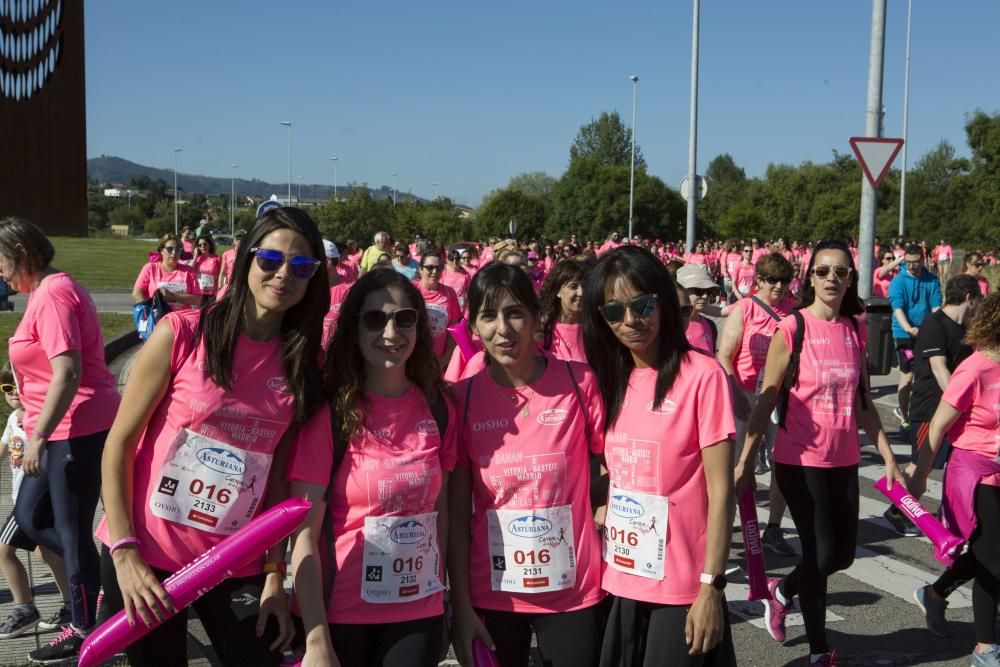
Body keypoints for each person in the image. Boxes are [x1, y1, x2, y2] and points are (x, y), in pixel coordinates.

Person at [97, 208, 333, 666]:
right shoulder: (182, 333)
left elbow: (278, 480)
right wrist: (124, 553)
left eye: (301, 267)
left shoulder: (304, 364)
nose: (284, 274)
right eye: (271, 259)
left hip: (235, 561)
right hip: (148, 555)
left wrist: (272, 573)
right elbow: (119, 444)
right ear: (245, 259)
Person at [736, 239, 904, 666]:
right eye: (824, 271)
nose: (832, 278)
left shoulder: (855, 329)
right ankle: (817, 651)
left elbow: (864, 401)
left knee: (843, 554)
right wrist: (745, 461)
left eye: (841, 272)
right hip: (799, 459)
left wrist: (887, 456)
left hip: (844, 458)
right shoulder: (793, 328)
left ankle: (782, 591)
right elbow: (767, 399)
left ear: (851, 280)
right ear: (810, 277)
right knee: (821, 554)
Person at [581, 246, 737, 667]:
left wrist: (711, 587)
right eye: (614, 312)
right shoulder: (610, 380)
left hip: (683, 587)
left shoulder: (702, 376)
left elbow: (723, 492)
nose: (631, 321)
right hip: (622, 579)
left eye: (642, 305)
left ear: (664, 302)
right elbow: (610, 472)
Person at [297, 269, 457, 666]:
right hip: (343, 613)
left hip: (418, 610)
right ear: (353, 329)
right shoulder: (329, 416)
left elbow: (444, 514)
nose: (391, 332)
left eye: (404, 318)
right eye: (374, 319)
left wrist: (450, 598)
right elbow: (303, 539)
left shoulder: (439, 409)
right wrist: (316, 639)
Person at [449, 262, 606, 667]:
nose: (503, 329)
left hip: (571, 592)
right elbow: (456, 516)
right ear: (473, 326)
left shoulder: (580, 382)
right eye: (488, 316)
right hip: (494, 593)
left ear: (536, 318)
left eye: (515, 312)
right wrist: (462, 608)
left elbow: (613, 464)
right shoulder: (461, 399)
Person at [0, 217, 121, 662]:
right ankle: (97, 587)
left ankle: (84, 625)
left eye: (0, 261)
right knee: (30, 517)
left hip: (76, 427)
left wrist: (39, 437)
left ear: (23, 254)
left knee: (71, 530)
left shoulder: (53, 294)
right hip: (53, 429)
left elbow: (68, 371)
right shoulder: (41, 293)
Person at [906, 291, 1000, 666]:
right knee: (994, 558)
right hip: (972, 469)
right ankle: (984, 648)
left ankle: (934, 593)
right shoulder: (974, 368)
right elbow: (938, 427)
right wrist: (920, 475)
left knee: (982, 554)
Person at [716, 253, 797, 556]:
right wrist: (736, 393)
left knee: (781, 462)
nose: (778, 286)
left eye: (784, 281)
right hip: (745, 392)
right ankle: (732, 523)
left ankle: (773, 528)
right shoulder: (745, 309)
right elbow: (724, 356)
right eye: (772, 280)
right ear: (759, 280)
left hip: (778, 395)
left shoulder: (793, 312)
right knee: (738, 463)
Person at [0, 367, 71, 639]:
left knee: (3, 551)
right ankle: (70, 606)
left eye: (19, 385)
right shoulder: (12, 420)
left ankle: (24, 610)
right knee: (47, 554)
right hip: (25, 499)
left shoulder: (41, 421)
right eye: (7, 388)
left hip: (35, 502)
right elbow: (4, 449)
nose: (14, 393)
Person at [888, 244, 942, 429]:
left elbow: (936, 307)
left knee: (928, 374)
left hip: (926, 332)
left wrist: (935, 327)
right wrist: (909, 328)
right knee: (908, 374)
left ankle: (923, 414)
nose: (912, 266)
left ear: (923, 259)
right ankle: (904, 416)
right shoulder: (898, 281)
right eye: (908, 262)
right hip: (904, 333)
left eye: (916, 262)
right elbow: (897, 308)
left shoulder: (932, 280)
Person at [539, 257, 594, 363]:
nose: (581, 293)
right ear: (557, 291)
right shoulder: (543, 330)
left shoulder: (596, 327)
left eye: (585, 286)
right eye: (573, 286)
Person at [416, 253, 462, 366]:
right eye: (430, 267)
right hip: (414, 358)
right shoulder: (411, 290)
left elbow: (453, 327)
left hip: (440, 359)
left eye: (439, 268)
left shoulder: (450, 293)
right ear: (421, 269)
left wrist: (447, 357)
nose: (435, 271)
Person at [132, 233, 201, 309]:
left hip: (181, 318)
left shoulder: (189, 271)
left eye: (178, 249)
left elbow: (197, 299)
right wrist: (145, 309)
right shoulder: (150, 268)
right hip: (157, 317)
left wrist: (172, 296)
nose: (174, 253)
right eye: (170, 249)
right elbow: (137, 293)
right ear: (161, 250)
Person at [675, 264, 720, 355]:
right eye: (698, 291)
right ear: (682, 291)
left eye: (708, 291)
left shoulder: (711, 326)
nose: (705, 296)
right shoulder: (672, 327)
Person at [193, 234, 221, 304]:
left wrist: (220, 290)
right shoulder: (197, 259)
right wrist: (195, 256)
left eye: (205, 244)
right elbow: (190, 270)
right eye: (200, 245)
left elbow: (222, 275)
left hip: (213, 293)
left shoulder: (217, 259)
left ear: (209, 245)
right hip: (199, 292)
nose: (202, 247)